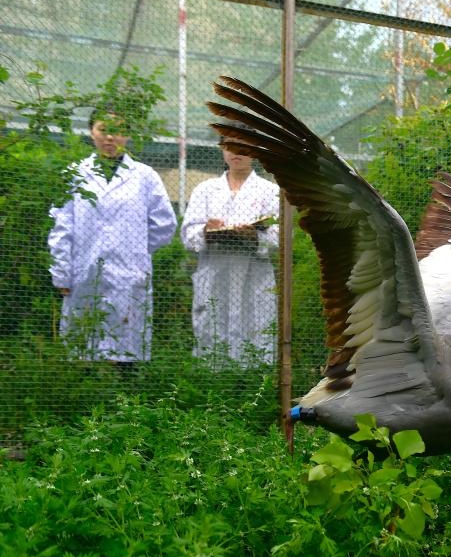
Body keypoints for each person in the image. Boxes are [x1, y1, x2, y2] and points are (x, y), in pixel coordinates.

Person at [47, 108, 177, 364]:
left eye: (118, 131)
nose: (110, 138)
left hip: (130, 270)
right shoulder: (75, 173)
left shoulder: (145, 176)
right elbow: (62, 226)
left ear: (127, 136)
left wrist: (134, 249)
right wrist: (61, 271)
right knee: (84, 342)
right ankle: (88, 396)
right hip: (83, 269)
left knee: (125, 346)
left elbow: (165, 224)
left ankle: (124, 396)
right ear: (91, 133)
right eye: (103, 129)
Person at [180, 137, 279, 365]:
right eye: (230, 146)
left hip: (254, 274)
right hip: (215, 271)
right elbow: (188, 235)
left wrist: (253, 235)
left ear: (255, 151)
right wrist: (206, 231)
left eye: (244, 146)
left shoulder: (270, 191)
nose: (237, 152)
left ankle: (253, 389)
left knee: (257, 332)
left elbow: (280, 236)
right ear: (222, 149)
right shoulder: (205, 190)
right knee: (212, 334)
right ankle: (213, 386)